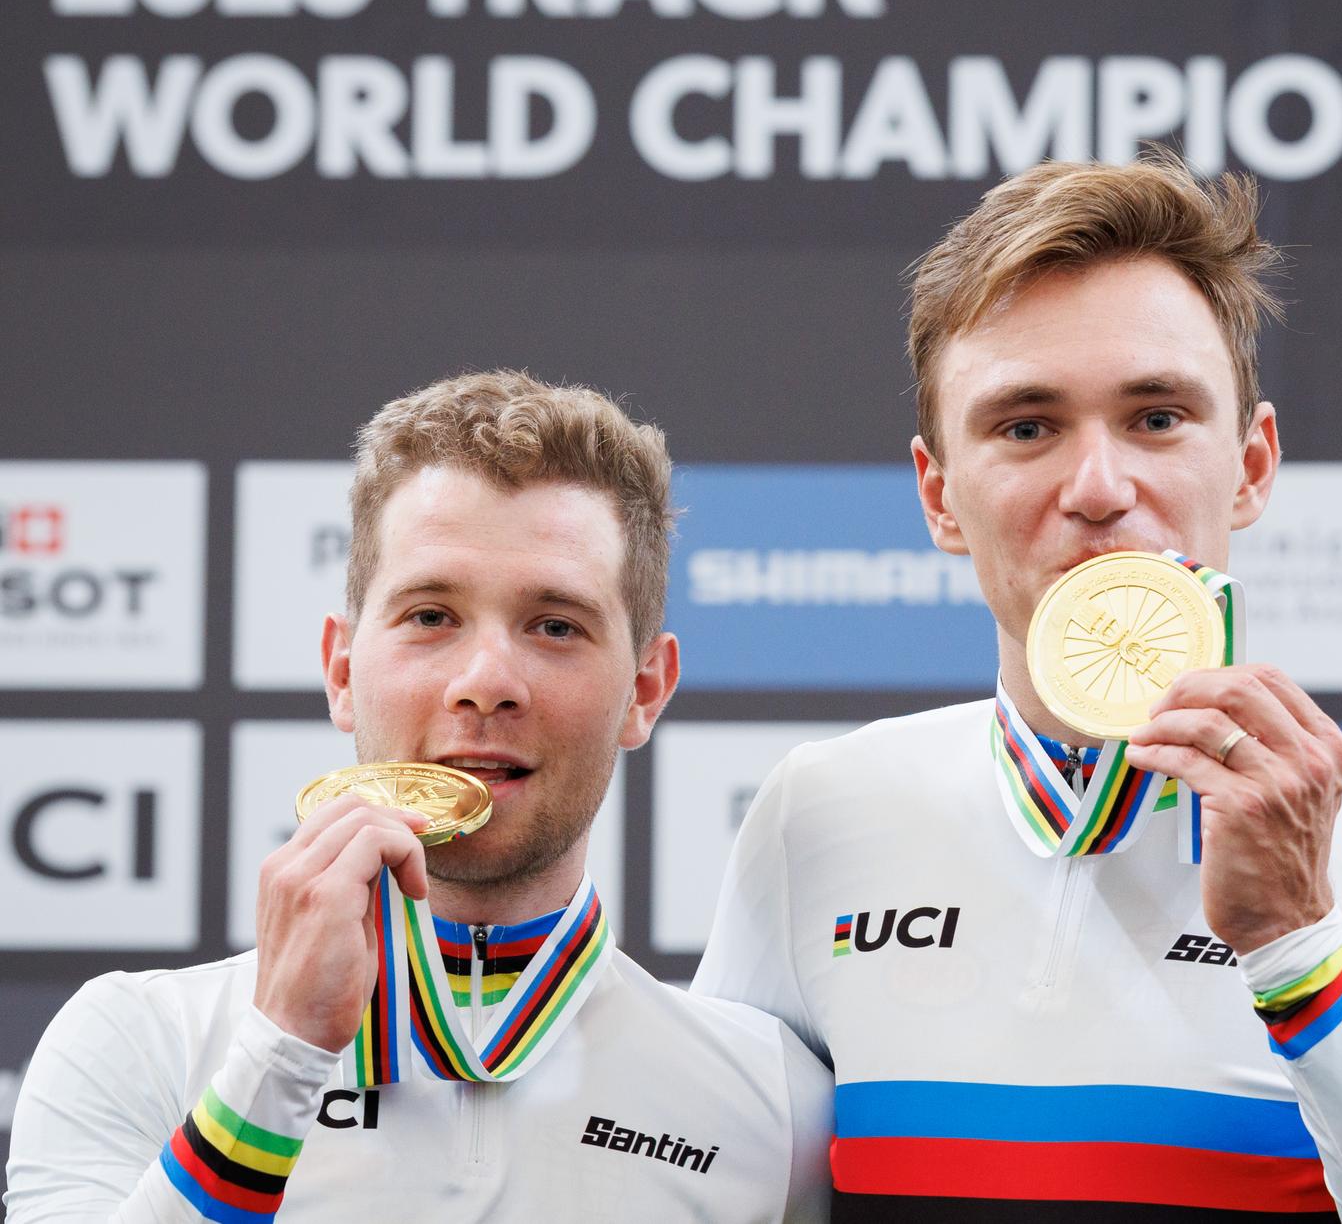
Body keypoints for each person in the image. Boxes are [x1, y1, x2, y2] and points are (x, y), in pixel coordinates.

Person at [694, 156, 1342, 1223]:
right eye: (1026, 426)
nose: (1099, 489)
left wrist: (1301, 950)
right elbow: (703, 1190)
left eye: (1158, 417)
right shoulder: (818, 814)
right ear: (940, 497)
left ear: (1252, 465)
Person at [6, 371, 830, 1223]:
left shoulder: (775, 1103)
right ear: (341, 672)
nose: (486, 683)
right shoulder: (136, 1041)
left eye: (556, 626)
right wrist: (281, 1056)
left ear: (645, 691)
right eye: (431, 616)